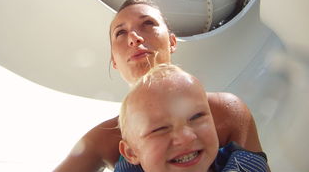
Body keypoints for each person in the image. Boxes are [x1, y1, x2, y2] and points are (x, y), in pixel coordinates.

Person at [53, 0, 262, 172]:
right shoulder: (102, 139)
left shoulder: (227, 111)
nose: (134, 37)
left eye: (148, 23)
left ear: (172, 42)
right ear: (114, 61)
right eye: (121, 32)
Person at [115, 64, 269, 172]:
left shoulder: (247, 166)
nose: (187, 137)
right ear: (131, 153)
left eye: (197, 116)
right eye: (160, 129)